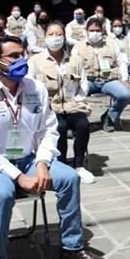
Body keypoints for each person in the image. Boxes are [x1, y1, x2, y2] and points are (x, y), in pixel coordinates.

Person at [0, 35, 107, 259]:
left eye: (23, 54)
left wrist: (42, 164)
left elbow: (49, 130)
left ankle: (72, 246)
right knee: (3, 193)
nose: (21, 60)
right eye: (13, 56)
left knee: (69, 178)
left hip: (28, 158)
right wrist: (18, 177)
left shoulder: (34, 88)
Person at [28, 22, 95, 183]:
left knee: (83, 124)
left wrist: (77, 100)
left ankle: (79, 165)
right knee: (60, 127)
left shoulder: (75, 60)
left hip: (72, 105)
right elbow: (30, 87)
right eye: (51, 34)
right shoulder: (36, 60)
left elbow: (83, 84)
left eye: (59, 34)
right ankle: (62, 164)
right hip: (50, 107)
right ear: (45, 38)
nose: (55, 38)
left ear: (64, 37)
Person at [73, 18, 130, 132]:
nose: (94, 33)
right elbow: (72, 66)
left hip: (108, 80)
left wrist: (125, 78)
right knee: (73, 96)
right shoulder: (79, 46)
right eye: (91, 30)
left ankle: (109, 117)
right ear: (86, 31)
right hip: (87, 80)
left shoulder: (111, 43)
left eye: (97, 30)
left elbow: (121, 61)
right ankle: (75, 123)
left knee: (125, 95)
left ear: (102, 31)